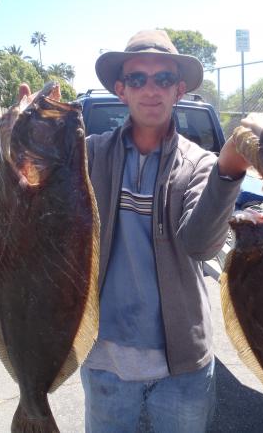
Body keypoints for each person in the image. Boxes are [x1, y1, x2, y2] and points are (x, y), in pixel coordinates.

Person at [79, 30, 251, 433]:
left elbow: (201, 245)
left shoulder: (202, 165)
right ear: (121, 90)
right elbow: (37, 196)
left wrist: (229, 172)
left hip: (182, 365)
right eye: (138, 79)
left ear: (179, 89)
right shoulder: (89, 154)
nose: (150, 89)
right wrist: (21, 136)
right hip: (105, 358)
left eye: (162, 79)